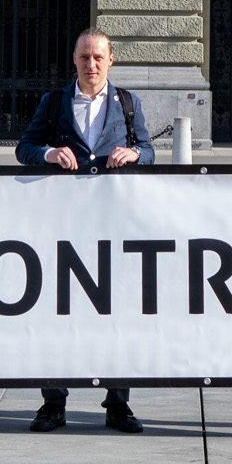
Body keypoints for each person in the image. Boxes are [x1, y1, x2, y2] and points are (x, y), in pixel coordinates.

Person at [16, 28, 153, 433]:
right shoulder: (53, 102)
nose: (91, 65)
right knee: (56, 312)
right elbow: (25, 148)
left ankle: (118, 404)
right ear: (74, 60)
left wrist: (134, 153)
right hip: (63, 225)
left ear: (111, 60)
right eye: (84, 57)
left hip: (114, 226)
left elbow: (148, 150)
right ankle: (53, 404)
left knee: (117, 313)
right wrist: (48, 153)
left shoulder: (128, 103)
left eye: (97, 57)